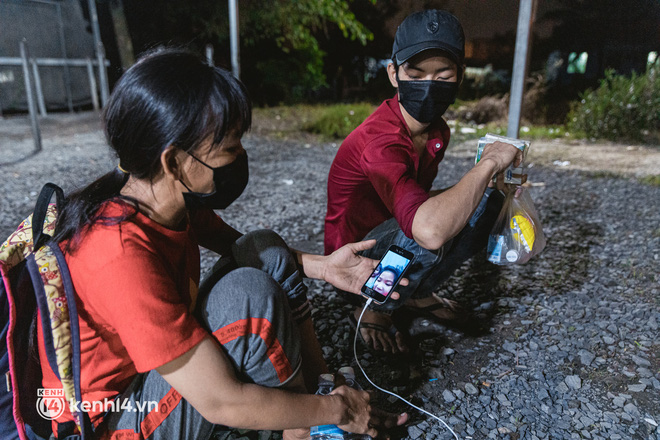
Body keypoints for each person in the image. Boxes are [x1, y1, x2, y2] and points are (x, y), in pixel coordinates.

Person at [38, 48, 407, 440]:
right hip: (115, 419)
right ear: (175, 162)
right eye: (230, 148)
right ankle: (310, 422)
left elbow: (257, 251)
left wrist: (327, 267)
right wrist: (341, 410)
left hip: (154, 370)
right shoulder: (118, 252)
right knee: (248, 297)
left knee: (263, 246)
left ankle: (320, 387)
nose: (241, 157)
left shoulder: (163, 200)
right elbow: (220, 400)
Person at [324, 10, 525, 353]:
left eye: (443, 74)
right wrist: (490, 161)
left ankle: (416, 294)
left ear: (460, 75)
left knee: (486, 200)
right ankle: (373, 305)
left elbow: (423, 202)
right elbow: (427, 230)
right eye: (415, 74)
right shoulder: (380, 140)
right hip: (353, 263)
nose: (429, 85)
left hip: (397, 229)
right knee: (429, 227)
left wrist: (487, 185)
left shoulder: (437, 131)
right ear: (393, 74)